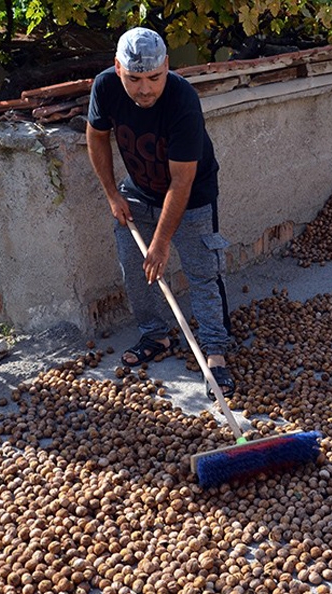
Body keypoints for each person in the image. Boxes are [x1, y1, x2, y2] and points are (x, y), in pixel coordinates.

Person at [86, 27, 235, 399]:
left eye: (154, 77)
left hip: (193, 194)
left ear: (167, 66)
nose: (145, 89)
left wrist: (162, 240)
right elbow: (96, 135)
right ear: (118, 68)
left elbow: (181, 181)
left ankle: (214, 352)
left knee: (203, 271)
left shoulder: (183, 100)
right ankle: (156, 336)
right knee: (136, 271)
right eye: (134, 79)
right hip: (135, 192)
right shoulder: (105, 88)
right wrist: (111, 195)